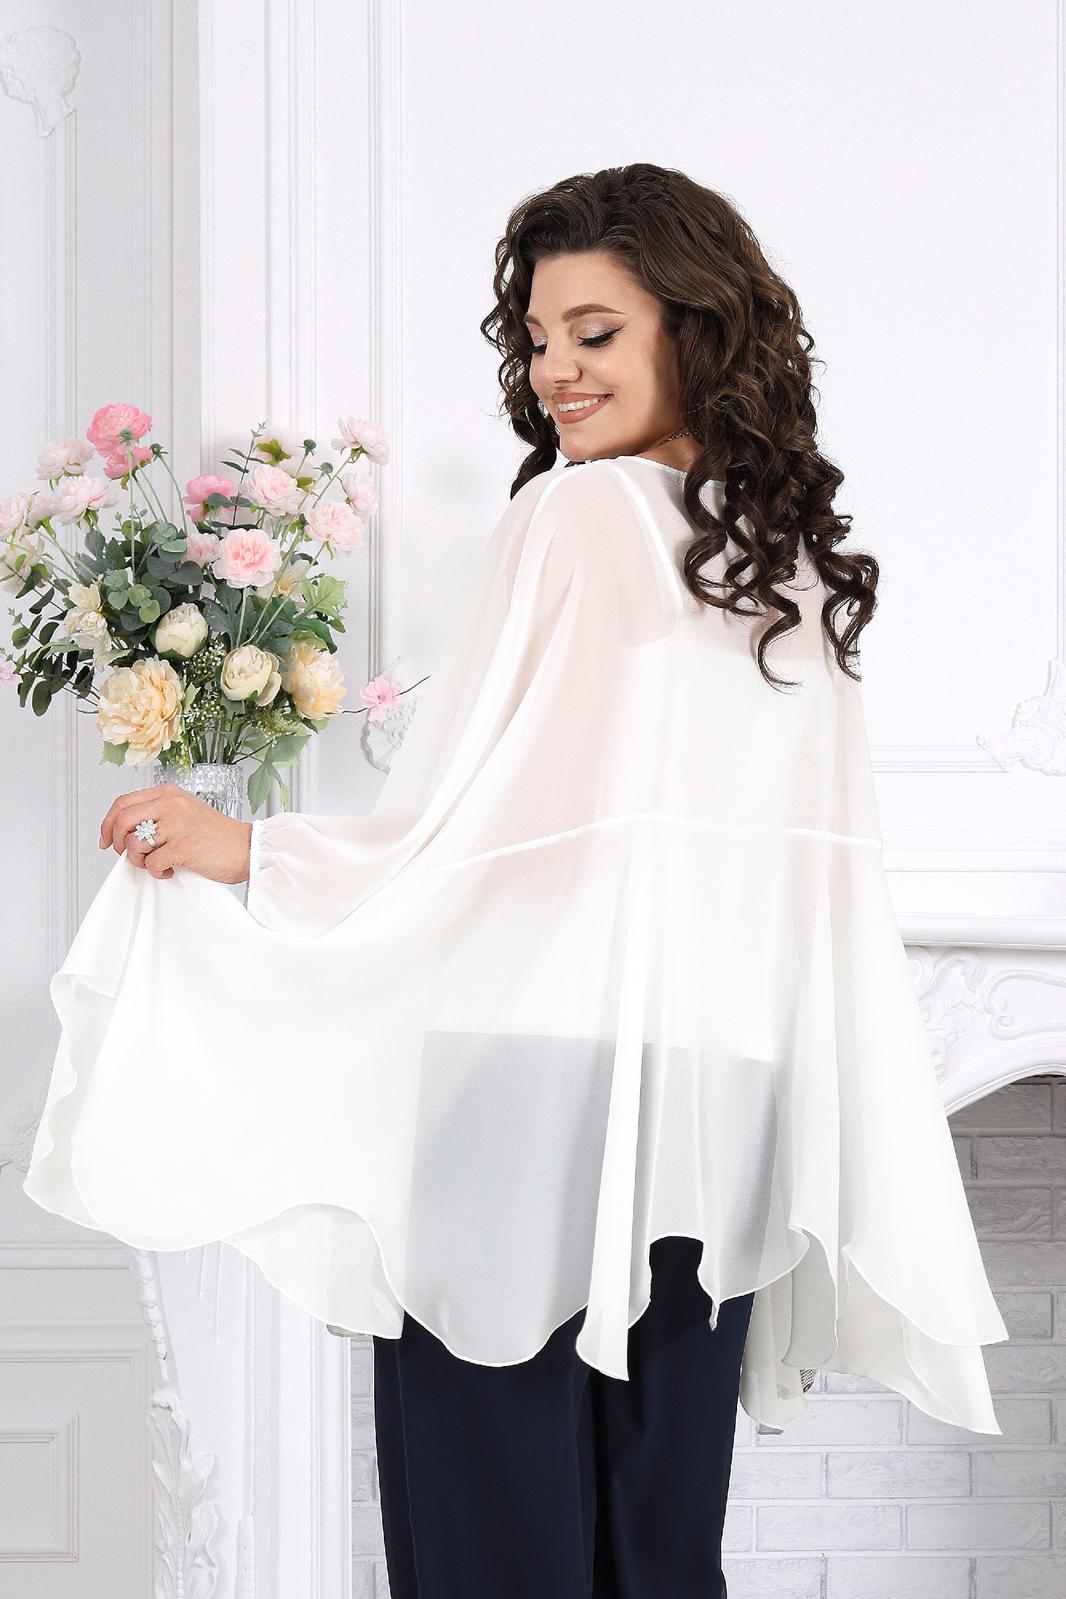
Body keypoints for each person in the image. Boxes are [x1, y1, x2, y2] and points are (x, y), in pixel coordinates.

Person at [27, 163, 1009, 1598]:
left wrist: (259, 852)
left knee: (490, 1542)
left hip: (524, 1087)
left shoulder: (579, 515)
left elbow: (519, 840)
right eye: (540, 337)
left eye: (594, 332)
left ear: (695, 329)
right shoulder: (784, 564)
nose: (556, 370)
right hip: (718, 1104)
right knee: (657, 1553)